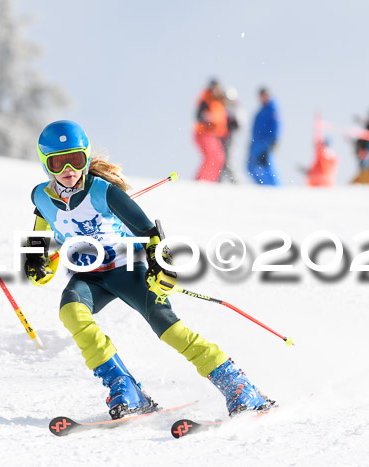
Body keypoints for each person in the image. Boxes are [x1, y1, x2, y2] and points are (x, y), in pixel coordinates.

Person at [25, 120, 275, 420]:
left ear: (86, 157)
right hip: (89, 276)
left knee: (166, 326)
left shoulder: (103, 191)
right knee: (70, 310)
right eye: (57, 162)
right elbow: (38, 241)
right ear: (45, 164)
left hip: (127, 268)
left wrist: (160, 265)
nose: (68, 169)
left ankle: (238, 385)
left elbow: (149, 232)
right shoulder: (41, 197)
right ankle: (125, 386)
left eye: (75, 159)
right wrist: (36, 263)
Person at [194, 79, 228, 182]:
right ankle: (202, 180)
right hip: (204, 133)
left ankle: (211, 181)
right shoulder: (206, 99)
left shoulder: (219, 101)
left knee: (219, 158)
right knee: (211, 156)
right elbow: (200, 115)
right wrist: (210, 119)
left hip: (215, 135)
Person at [248, 87, 281, 186]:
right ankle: (264, 185)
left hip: (266, 143)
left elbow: (276, 125)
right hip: (257, 143)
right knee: (251, 166)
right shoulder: (262, 110)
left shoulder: (272, 109)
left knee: (267, 165)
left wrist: (274, 141)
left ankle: (275, 187)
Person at [219, 87, 242, 184]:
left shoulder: (235, 110)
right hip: (220, 138)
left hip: (229, 139)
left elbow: (238, 125)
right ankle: (216, 182)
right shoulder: (222, 108)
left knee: (228, 162)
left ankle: (236, 182)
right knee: (220, 161)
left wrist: (228, 125)